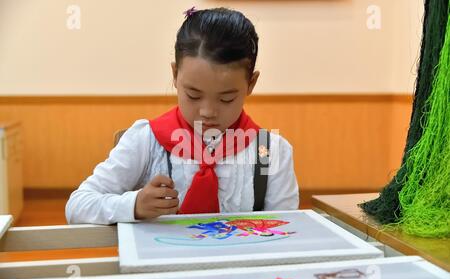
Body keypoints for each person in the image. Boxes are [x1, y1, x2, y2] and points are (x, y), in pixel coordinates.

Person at [66, 7, 299, 225]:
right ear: (175, 75)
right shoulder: (147, 141)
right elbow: (76, 206)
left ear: (251, 83)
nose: (207, 112)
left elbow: (286, 229)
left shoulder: (270, 151)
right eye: (193, 95)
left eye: (226, 98)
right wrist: (133, 205)